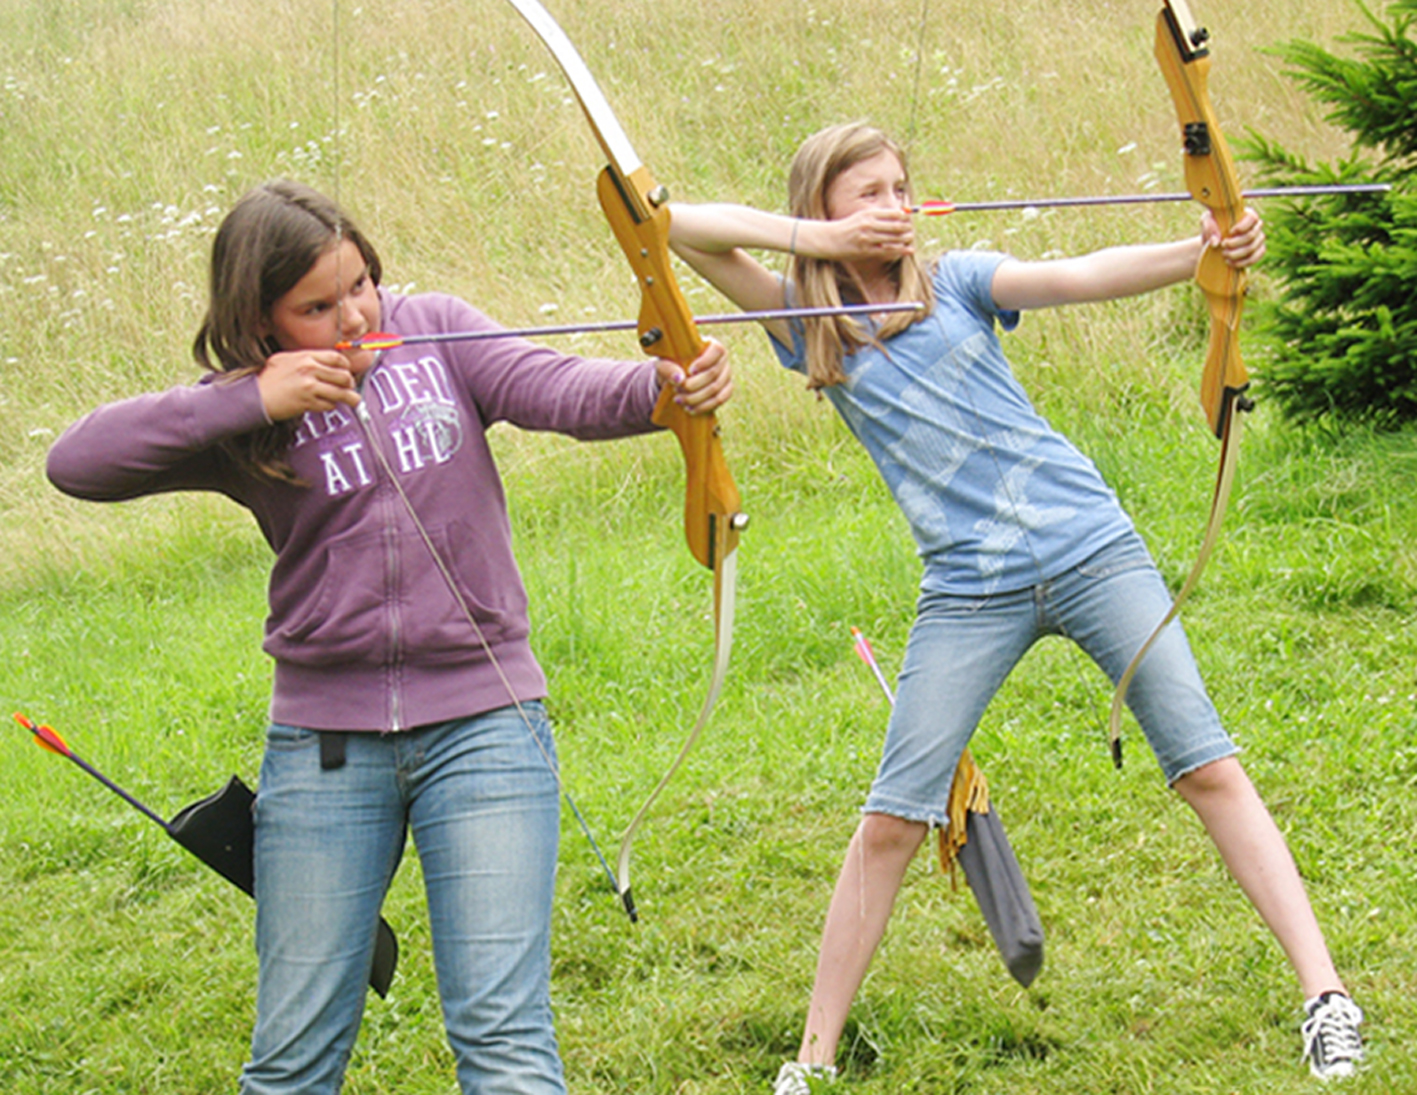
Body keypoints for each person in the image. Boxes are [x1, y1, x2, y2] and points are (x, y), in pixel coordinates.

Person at [665, 122, 1364, 1089]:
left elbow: (1078, 276)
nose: (893, 206)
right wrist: (823, 245)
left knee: (1206, 765)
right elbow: (674, 226)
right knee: (892, 818)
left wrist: (1203, 251)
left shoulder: (954, 281)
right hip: (967, 589)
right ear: (819, 208)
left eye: (900, 187)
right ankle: (811, 1062)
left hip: (1091, 548)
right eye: (867, 193)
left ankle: (1326, 998)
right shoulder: (802, 320)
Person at [46, 179, 733, 1095]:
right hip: (325, 746)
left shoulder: (434, 331)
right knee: (292, 1056)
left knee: (503, 1037)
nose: (354, 317)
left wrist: (662, 387)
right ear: (259, 319)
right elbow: (76, 464)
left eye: (361, 284)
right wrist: (253, 398)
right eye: (317, 307)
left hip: (487, 724)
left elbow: (556, 387)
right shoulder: (247, 411)